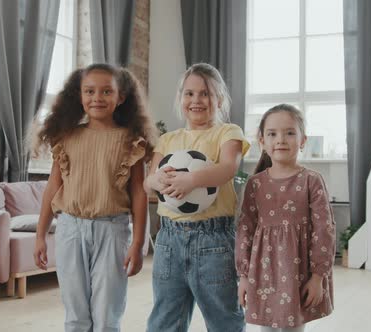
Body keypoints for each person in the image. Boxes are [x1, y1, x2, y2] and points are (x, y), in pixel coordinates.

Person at [32, 63, 156, 332]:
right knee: (75, 314)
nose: (97, 98)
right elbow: (54, 186)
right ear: (79, 95)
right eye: (89, 91)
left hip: (113, 231)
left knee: (106, 315)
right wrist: (40, 234)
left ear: (120, 97)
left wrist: (138, 242)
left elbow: (138, 192)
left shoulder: (131, 140)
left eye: (106, 92)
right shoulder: (66, 137)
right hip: (70, 230)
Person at [145, 63, 249, 332]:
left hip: (213, 241)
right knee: (165, 317)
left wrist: (192, 179)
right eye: (189, 94)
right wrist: (156, 180)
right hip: (168, 241)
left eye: (205, 93)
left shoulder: (228, 133)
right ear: (180, 99)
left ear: (220, 99)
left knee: (223, 316)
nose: (196, 100)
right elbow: (148, 182)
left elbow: (227, 168)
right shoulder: (168, 140)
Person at [235, 104, 335, 332]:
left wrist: (319, 276)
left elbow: (324, 229)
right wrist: (243, 276)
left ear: (302, 140)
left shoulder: (312, 180)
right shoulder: (255, 184)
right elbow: (245, 230)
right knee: (266, 328)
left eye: (289, 132)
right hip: (264, 274)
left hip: (299, 274)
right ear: (262, 141)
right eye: (272, 133)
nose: (280, 139)